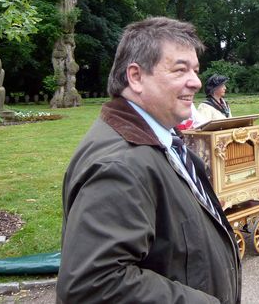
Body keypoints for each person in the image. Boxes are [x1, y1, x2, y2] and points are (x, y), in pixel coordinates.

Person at [57, 17, 241, 303]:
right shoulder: (120, 165)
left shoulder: (158, 143)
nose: (195, 81)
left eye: (195, 70)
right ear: (136, 77)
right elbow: (92, 287)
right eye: (180, 69)